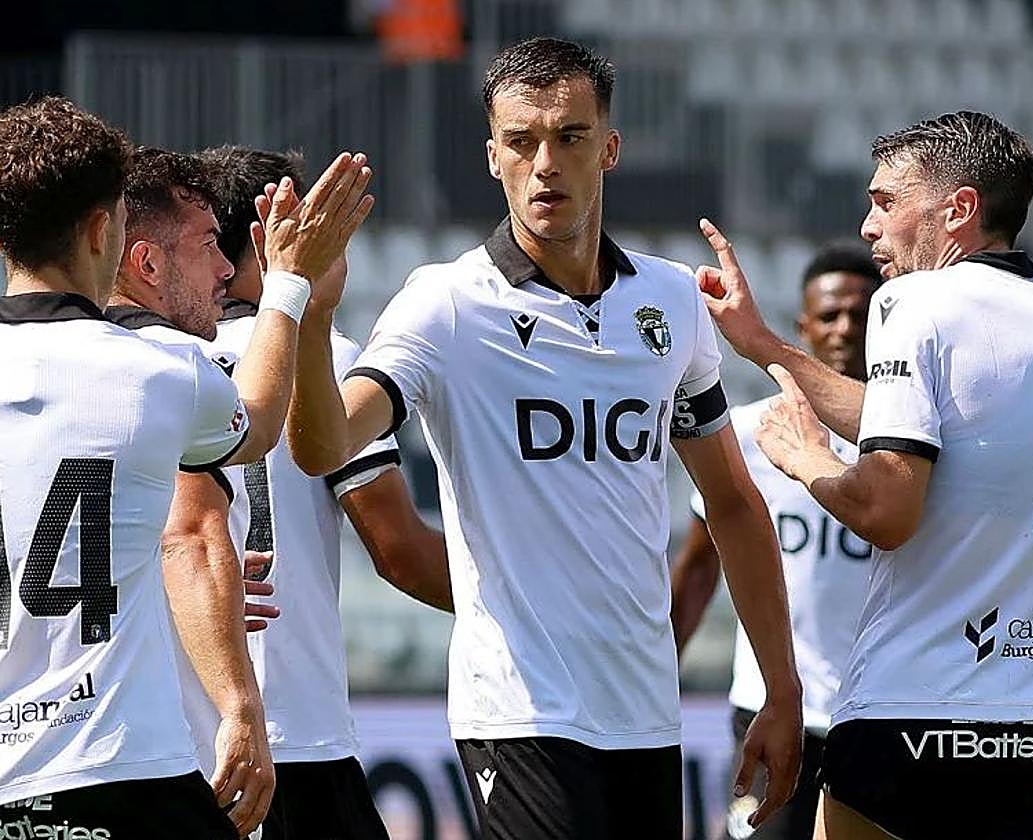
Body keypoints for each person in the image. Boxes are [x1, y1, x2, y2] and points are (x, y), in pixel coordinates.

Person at [284, 37, 803, 838]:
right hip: (518, 711)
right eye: (521, 142)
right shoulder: (446, 305)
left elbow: (733, 503)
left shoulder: (671, 302)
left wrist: (781, 687)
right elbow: (324, 446)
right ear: (492, 156)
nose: (545, 165)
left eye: (570, 137)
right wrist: (311, 315)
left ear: (611, 148)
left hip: (645, 711)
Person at [697, 110, 1033, 840]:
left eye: (886, 201)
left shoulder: (917, 300)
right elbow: (918, 423)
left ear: (958, 209)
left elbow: (885, 510)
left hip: (919, 718)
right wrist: (763, 344)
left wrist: (806, 459)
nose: (869, 226)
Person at [0, 97, 362, 837]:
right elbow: (254, 429)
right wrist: (289, 283)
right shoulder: (153, 372)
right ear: (102, 230)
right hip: (118, 764)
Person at [197, 144, 448, 840]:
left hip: (185, 735)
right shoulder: (324, 358)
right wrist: (538, 599)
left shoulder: (162, 359)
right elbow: (400, 552)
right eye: (322, 228)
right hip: (298, 736)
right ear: (268, 238)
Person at [671, 243, 879, 840]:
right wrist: (658, 671)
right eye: (830, 315)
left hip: (875, 717)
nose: (845, 328)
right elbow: (701, 566)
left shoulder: (908, 447)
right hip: (771, 706)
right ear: (802, 327)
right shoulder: (751, 431)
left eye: (861, 314)